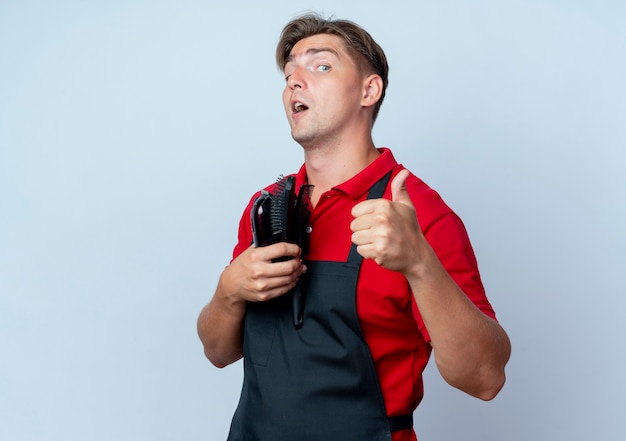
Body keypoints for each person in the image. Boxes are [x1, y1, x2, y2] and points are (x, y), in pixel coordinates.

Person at [197, 13, 511, 441]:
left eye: (320, 66)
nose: (295, 81)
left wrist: (419, 263)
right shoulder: (266, 209)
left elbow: (485, 378)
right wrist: (229, 290)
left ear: (369, 90)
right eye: (289, 73)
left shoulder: (421, 213)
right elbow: (218, 352)